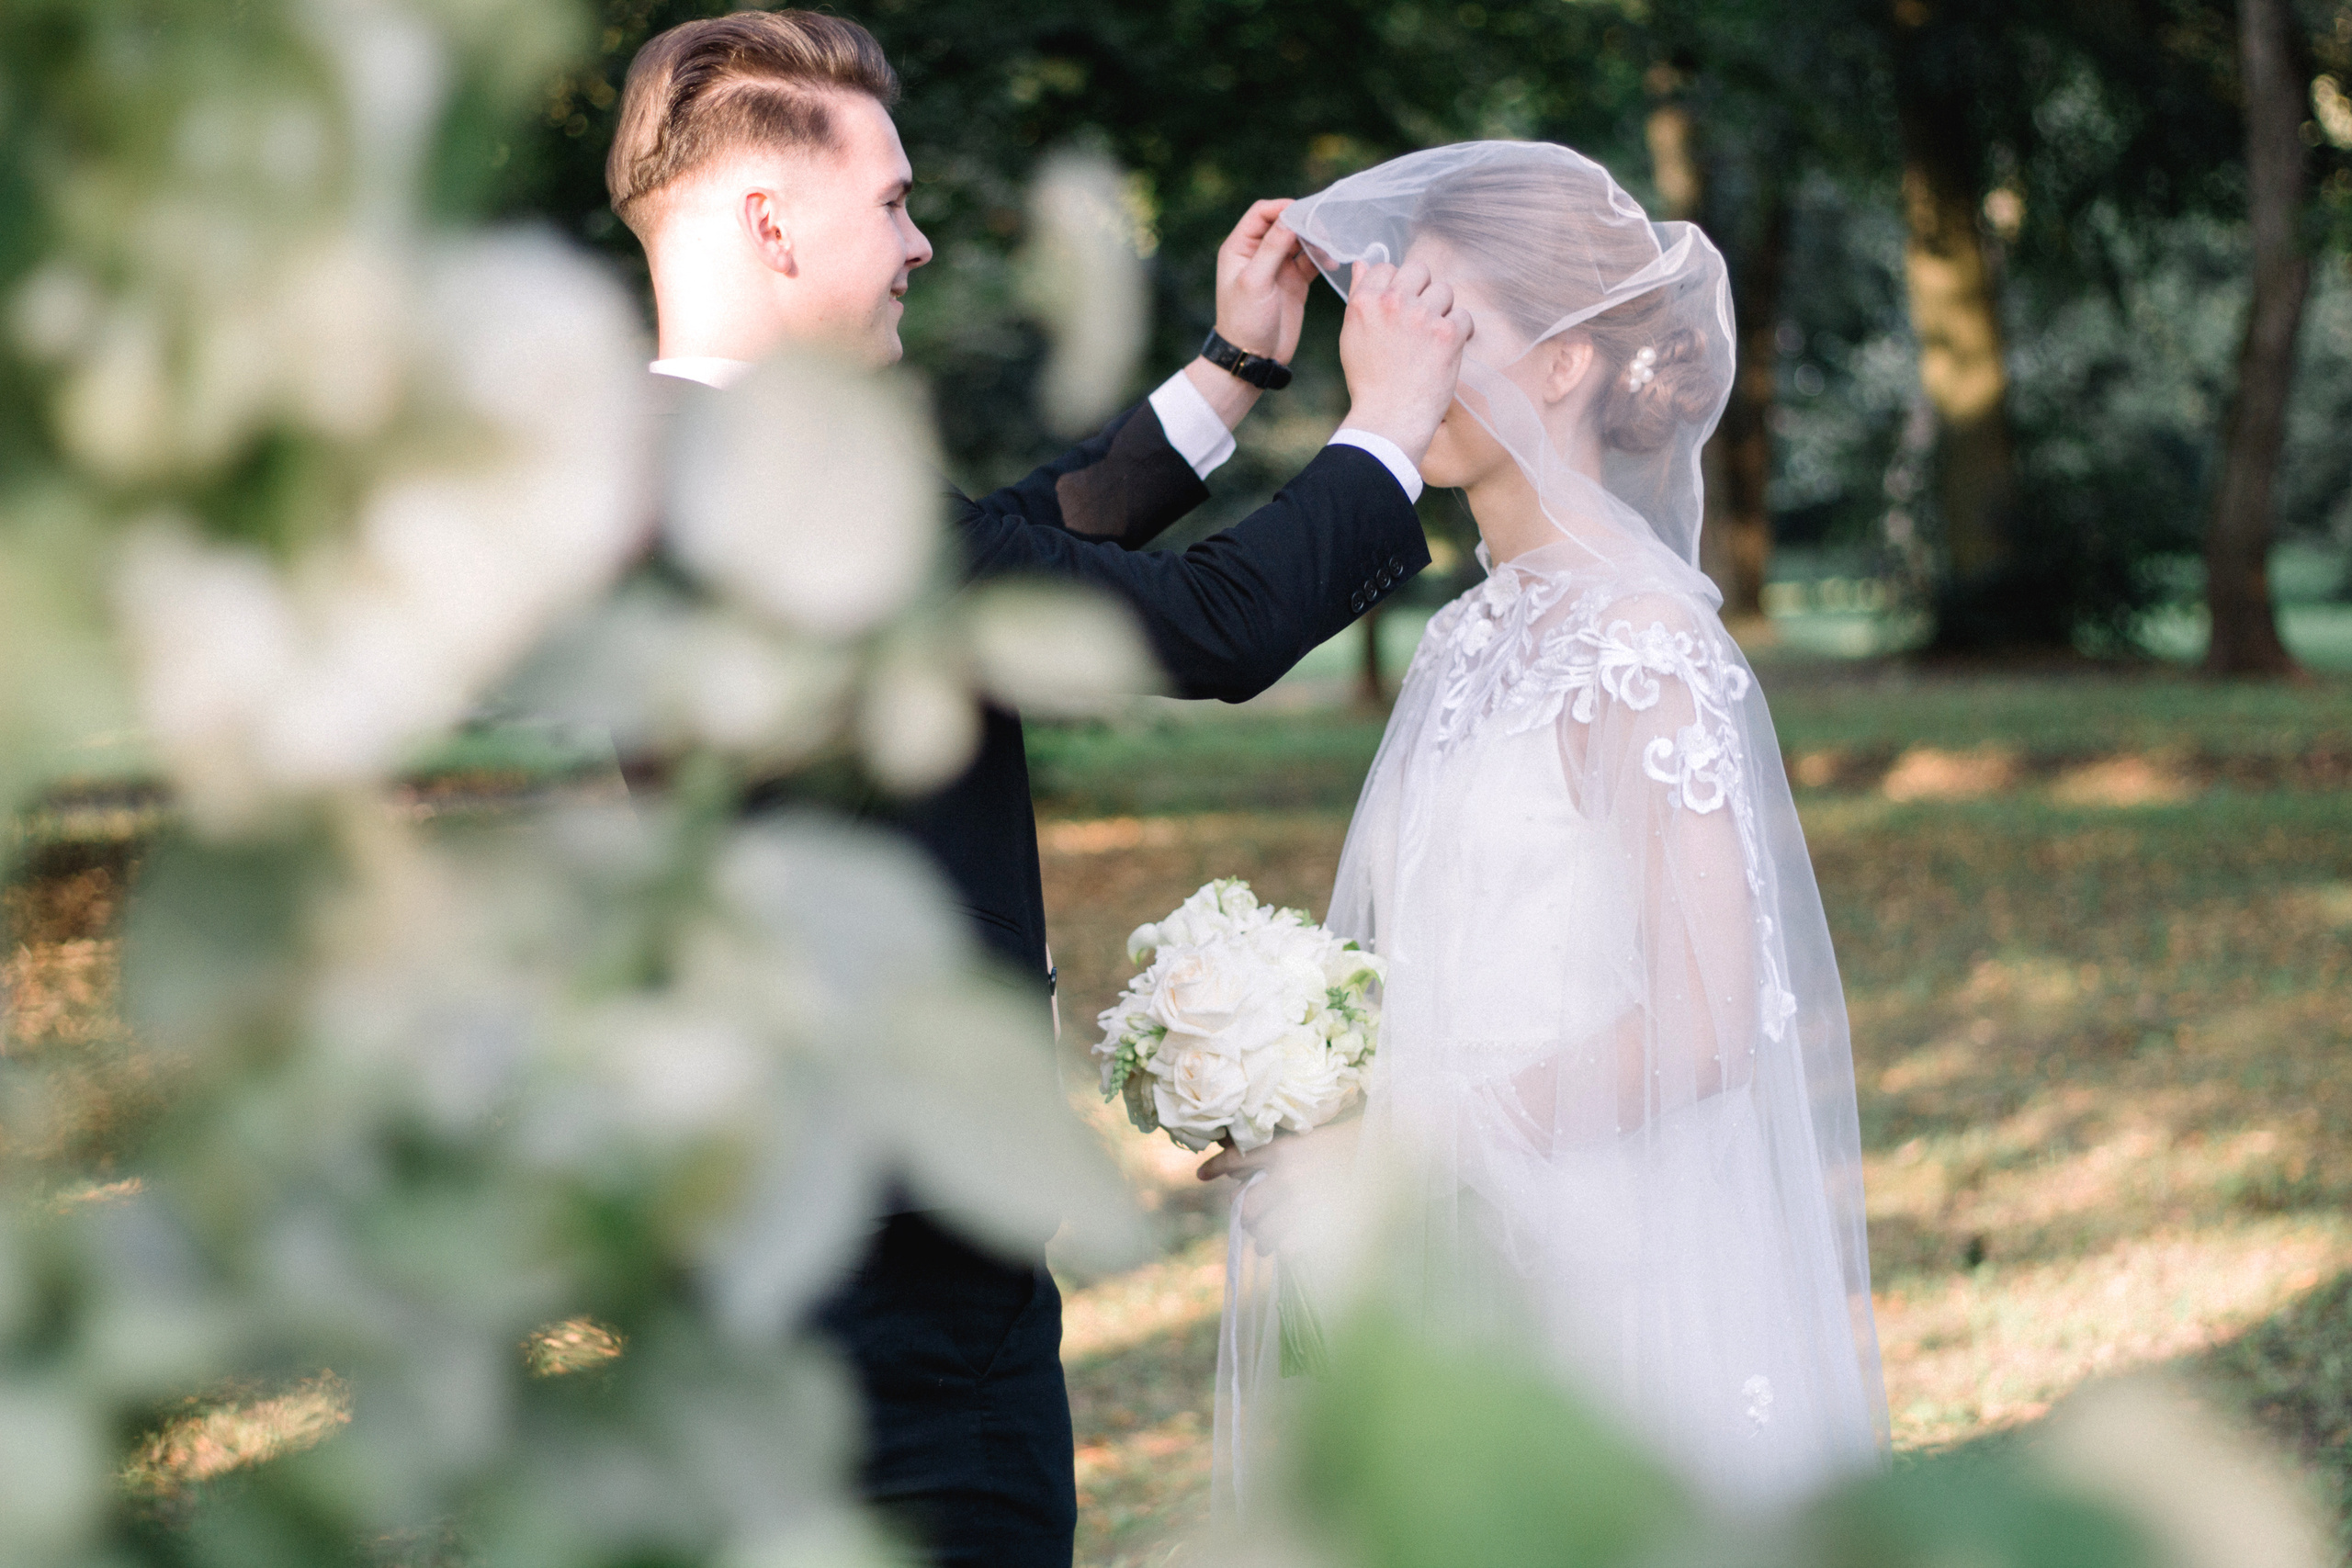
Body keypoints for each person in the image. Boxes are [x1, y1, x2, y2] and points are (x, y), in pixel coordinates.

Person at [603, 12, 1470, 1565]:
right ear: (771, 224)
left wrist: (1229, 375)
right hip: (898, 1275)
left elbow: (1009, 549)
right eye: (891, 204)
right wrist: (1388, 425)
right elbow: (1213, 631)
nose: (920, 244)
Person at [1201, 141, 1890, 1512]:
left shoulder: (1642, 645)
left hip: (1607, 1274)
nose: (1401, 355)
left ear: (1567, 362)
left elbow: (1707, 1018)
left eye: (1444, 318)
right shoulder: (1467, 635)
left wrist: (1400, 1143)